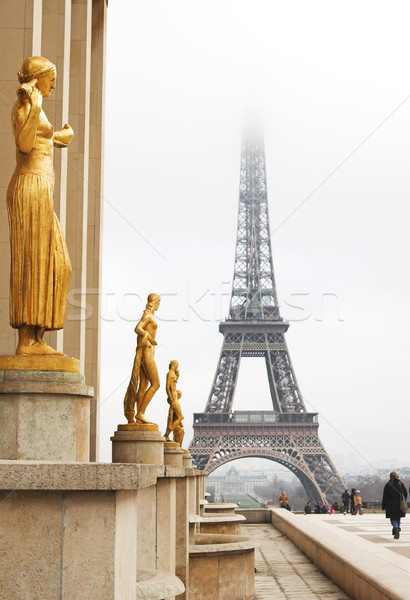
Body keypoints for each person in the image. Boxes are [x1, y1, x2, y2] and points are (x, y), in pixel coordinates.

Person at [7, 56, 74, 356]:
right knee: (31, 262)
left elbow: (42, 139)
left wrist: (62, 136)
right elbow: (24, 142)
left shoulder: (36, 106)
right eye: (51, 78)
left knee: (59, 265)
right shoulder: (24, 105)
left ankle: (37, 337)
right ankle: (26, 341)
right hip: (29, 187)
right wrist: (33, 106)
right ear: (39, 78)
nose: (55, 84)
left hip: (41, 189)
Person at [123, 293, 161, 424]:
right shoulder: (148, 316)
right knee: (156, 384)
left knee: (144, 384)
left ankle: (140, 416)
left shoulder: (149, 315)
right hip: (147, 351)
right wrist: (150, 338)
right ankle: (141, 413)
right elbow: (138, 328)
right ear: (156, 302)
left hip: (148, 350)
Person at [382, 471, 408, 539]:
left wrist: (383, 506)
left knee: (393, 518)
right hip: (399, 504)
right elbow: (405, 493)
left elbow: (385, 496)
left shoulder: (388, 484)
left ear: (390, 477)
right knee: (398, 518)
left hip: (390, 505)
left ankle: (396, 528)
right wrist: (403, 500)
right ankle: (397, 528)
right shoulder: (400, 483)